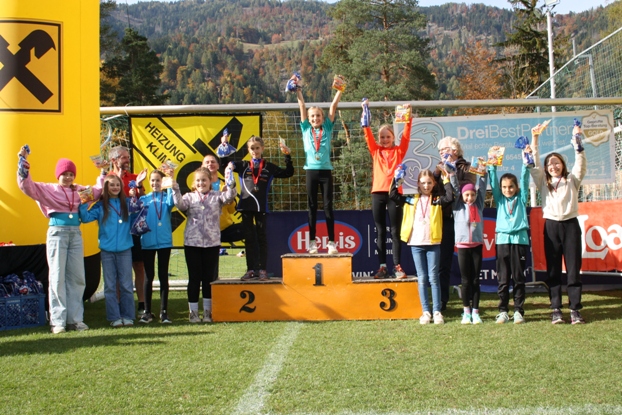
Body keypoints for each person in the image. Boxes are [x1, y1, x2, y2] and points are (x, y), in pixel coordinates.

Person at [17, 148, 102, 333]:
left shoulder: (79, 190)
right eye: (65, 174)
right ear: (58, 175)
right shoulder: (49, 189)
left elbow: (97, 191)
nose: (68, 177)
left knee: (77, 277)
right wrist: (23, 165)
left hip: (75, 234)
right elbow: (28, 187)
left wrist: (102, 172)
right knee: (57, 277)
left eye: (71, 174)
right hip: (57, 233)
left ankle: (75, 320)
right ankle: (58, 321)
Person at [527, 122, 587, 324]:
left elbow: (581, 163)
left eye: (557, 162)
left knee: (573, 269)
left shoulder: (572, 179)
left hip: (570, 225)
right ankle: (556, 309)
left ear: (563, 164)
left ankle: (575, 309)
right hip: (551, 226)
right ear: (546, 168)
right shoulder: (543, 182)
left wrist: (578, 141)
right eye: (550, 164)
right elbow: (534, 163)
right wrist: (535, 138)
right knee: (553, 269)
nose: (553, 166)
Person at [220, 136, 294, 280]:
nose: (255, 151)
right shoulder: (242, 165)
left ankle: (263, 270)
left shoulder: (269, 167)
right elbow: (225, 164)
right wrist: (224, 145)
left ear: (262, 148)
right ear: (248, 150)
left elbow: (288, 173)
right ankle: (250, 270)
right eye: (252, 148)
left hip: (261, 208)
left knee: (262, 238)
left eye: (257, 148)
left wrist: (287, 156)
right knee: (249, 239)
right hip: (245, 207)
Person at [172, 166, 236, 322]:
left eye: (204, 180)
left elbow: (229, 197)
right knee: (194, 278)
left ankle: (208, 312)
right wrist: (175, 188)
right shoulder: (189, 197)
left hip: (211, 243)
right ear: (194, 183)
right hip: (192, 243)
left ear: (210, 181)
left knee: (208, 278)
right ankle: (193, 313)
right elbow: (180, 205)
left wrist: (231, 182)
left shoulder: (217, 196)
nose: (201, 183)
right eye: (198, 181)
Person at [391, 167, 453, 324]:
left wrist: (446, 179)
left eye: (429, 183)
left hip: (433, 243)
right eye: (423, 183)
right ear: (418, 183)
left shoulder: (436, 199)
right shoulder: (411, 199)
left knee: (434, 278)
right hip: (416, 243)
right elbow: (393, 195)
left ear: (434, 184)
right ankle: (426, 311)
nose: (426, 186)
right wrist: (397, 180)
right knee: (422, 278)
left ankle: (437, 311)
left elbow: (450, 197)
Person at [362, 100, 412, 279]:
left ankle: (397, 267)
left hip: (394, 194)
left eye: (388, 137)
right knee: (380, 231)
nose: (385, 140)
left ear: (393, 138)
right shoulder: (375, 151)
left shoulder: (399, 151)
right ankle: (382, 267)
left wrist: (408, 117)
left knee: (395, 231)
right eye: (382, 137)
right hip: (378, 193)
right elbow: (367, 133)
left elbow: (406, 135)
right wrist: (365, 110)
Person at [79, 174, 137, 328]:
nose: (115, 187)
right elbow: (85, 218)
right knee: (110, 286)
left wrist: (135, 198)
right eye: (112, 185)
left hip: (125, 249)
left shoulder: (127, 203)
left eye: (117, 185)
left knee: (126, 285)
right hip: (107, 251)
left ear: (121, 187)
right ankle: (114, 317)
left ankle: (128, 316)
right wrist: (84, 202)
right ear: (106, 187)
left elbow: (137, 216)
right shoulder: (100, 206)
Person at [296, 86, 342, 254]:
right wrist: (298, 90)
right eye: (312, 116)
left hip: (326, 172)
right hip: (311, 171)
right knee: (312, 206)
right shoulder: (305, 129)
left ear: (323, 118)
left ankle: (332, 242)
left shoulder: (327, 128)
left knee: (328, 206)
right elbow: (302, 105)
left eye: (318, 116)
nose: (315, 118)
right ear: (308, 119)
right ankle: (312, 242)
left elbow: (333, 106)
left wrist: (340, 90)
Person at [488, 154, 530, 324]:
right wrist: (492, 166)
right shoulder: (499, 199)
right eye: (504, 187)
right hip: (503, 241)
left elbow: (525, 180)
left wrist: (526, 165)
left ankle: (518, 311)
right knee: (503, 279)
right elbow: (493, 183)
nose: (508, 190)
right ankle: (503, 311)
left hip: (520, 241)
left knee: (518, 278)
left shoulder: (521, 198)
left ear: (516, 187)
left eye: (511, 186)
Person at [109, 145, 147, 315]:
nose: (127, 160)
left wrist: (139, 186)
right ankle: (119, 304)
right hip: (116, 230)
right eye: (124, 157)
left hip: (133, 229)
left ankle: (142, 304)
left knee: (139, 265)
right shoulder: (107, 178)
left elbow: (142, 200)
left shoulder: (134, 177)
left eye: (128, 157)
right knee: (118, 270)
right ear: (114, 160)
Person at [435, 137, 472, 311]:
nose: (442, 152)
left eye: (445, 149)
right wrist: (438, 173)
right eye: (440, 151)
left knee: (467, 261)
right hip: (446, 219)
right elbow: (433, 190)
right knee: (443, 262)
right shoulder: (438, 168)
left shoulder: (466, 167)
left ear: (455, 151)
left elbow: (467, 190)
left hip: (464, 218)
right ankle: (442, 301)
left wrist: (451, 174)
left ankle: (470, 301)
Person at [449, 165, 487, 325]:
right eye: (467, 195)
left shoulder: (479, 204)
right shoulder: (457, 206)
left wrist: (483, 175)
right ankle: (466, 312)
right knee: (465, 281)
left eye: (472, 195)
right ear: (462, 195)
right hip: (463, 247)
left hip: (477, 245)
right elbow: (454, 189)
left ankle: (476, 312)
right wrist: (452, 175)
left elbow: (483, 188)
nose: (469, 198)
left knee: (475, 280)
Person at [138, 169, 176, 324]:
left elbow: (173, 202)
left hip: (164, 242)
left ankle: (164, 312)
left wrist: (171, 181)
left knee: (163, 275)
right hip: (147, 242)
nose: (155, 183)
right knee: (148, 276)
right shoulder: (144, 199)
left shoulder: (167, 198)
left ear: (162, 182)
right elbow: (135, 208)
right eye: (152, 180)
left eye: (158, 180)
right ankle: (147, 312)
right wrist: (138, 185)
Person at [202, 154, 244, 244]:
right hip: (207, 230)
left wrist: (230, 200)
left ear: (218, 166)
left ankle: (254, 254)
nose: (210, 164)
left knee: (251, 229)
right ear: (202, 167)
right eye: (207, 162)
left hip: (225, 229)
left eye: (213, 162)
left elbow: (232, 210)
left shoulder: (226, 183)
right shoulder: (199, 186)